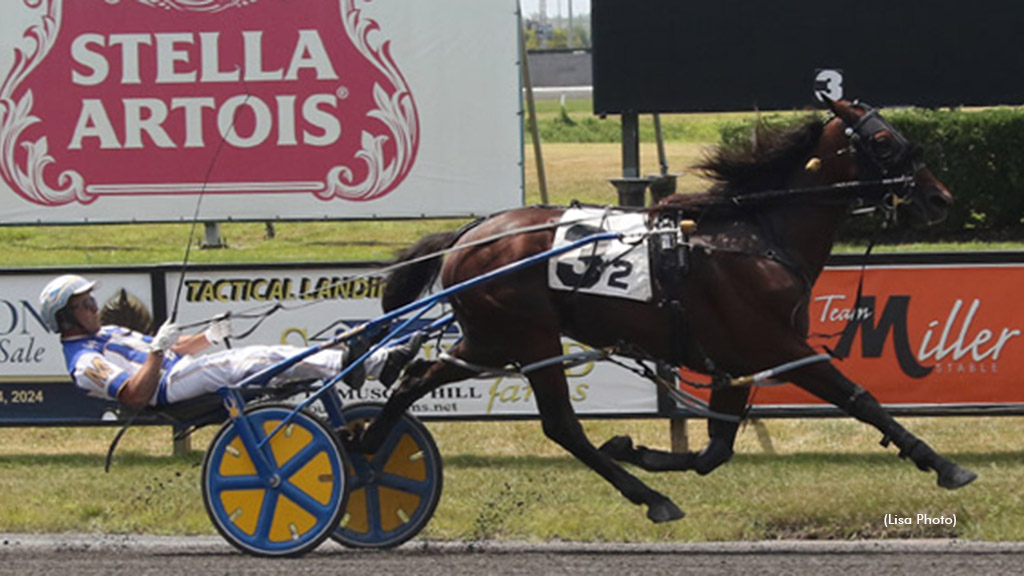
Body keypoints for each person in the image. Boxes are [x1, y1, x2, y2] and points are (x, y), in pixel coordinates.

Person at [39, 274, 422, 409]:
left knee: (262, 358)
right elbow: (136, 395)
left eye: (92, 300)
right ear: (65, 318)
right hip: (168, 389)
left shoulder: (105, 333)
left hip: (179, 370)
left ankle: (365, 362)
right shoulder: (85, 362)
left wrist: (208, 336)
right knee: (255, 359)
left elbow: (174, 350)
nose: (94, 306)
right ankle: (364, 364)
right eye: (85, 304)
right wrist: (157, 351)